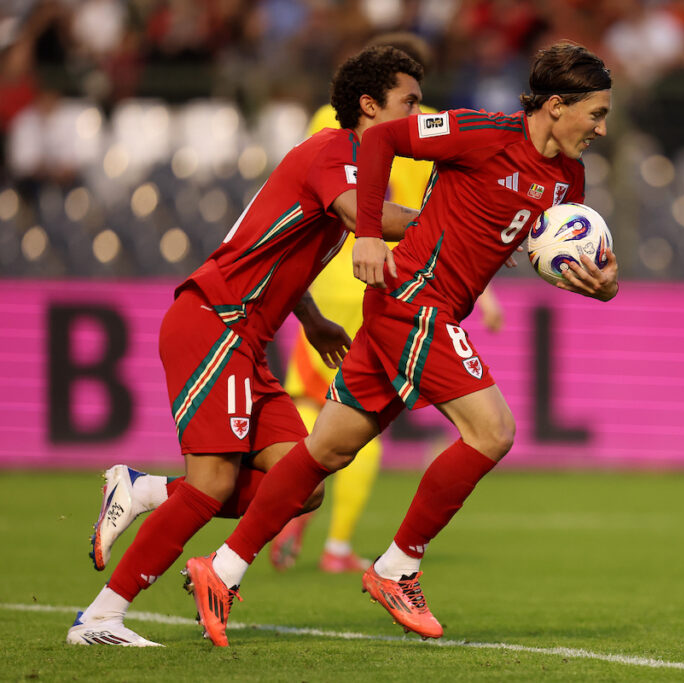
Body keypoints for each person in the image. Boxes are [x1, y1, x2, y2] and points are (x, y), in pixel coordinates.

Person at [182, 40, 617, 648]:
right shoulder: (479, 129)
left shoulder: (569, 178)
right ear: (553, 105)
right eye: (594, 114)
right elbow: (384, 139)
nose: (601, 128)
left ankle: (222, 570)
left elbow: (555, 245)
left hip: (424, 309)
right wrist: (365, 233)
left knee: (325, 450)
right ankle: (398, 567)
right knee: (492, 432)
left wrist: (603, 285)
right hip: (411, 299)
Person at [65, 45, 425, 647]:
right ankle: (100, 619)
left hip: (246, 340)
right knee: (209, 484)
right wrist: (459, 220)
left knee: (302, 484)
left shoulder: (349, 166)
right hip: (214, 321)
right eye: (408, 103)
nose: (417, 116)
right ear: (369, 106)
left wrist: (308, 317)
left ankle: (146, 490)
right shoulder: (339, 151)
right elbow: (365, 216)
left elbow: (280, 246)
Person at [270, 33, 505, 575]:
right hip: (404, 280)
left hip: (341, 273)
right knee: (360, 412)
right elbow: (452, 217)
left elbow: (332, 186)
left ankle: (299, 516)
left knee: (327, 403)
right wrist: (484, 286)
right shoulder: (442, 127)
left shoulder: (327, 120)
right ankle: (333, 540)